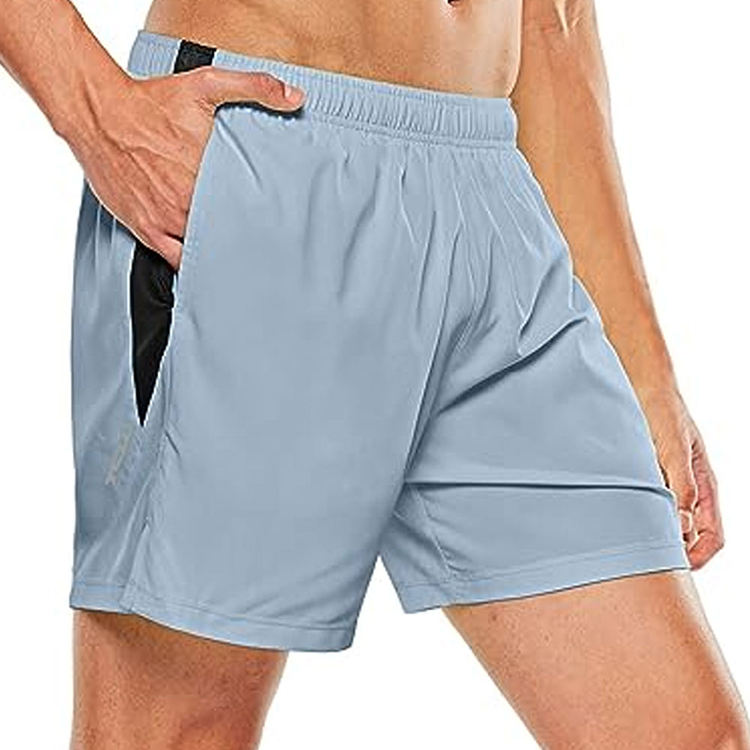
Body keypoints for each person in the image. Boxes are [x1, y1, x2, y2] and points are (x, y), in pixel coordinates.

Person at [1, 0, 748, 747]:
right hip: (270, 148)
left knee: (687, 736)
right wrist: (95, 111)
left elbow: (555, 22)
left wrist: (646, 370)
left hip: (497, 208)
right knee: (176, 732)